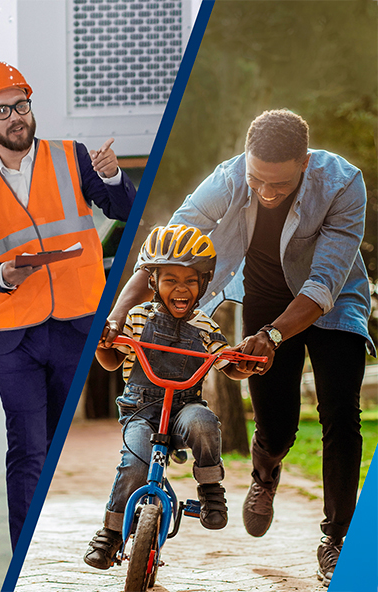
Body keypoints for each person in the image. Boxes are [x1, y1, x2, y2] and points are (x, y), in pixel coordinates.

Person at [104, 109, 373, 587]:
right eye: (257, 181)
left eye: (280, 186)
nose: (266, 193)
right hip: (266, 298)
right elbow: (166, 249)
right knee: (277, 426)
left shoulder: (342, 184)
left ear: (304, 163)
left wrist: (272, 337)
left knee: (340, 413)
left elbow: (325, 281)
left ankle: (336, 539)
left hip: (331, 302)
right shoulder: (229, 179)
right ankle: (265, 473)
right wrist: (119, 312)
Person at [0, 61, 136, 549]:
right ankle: (23, 550)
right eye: (2, 110)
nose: (16, 117)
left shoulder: (72, 157)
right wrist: (1, 275)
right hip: (14, 336)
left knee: (54, 444)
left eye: (22, 105)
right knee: (28, 448)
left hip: (75, 326)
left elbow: (123, 210)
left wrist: (115, 176)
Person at [83, 225, 254, 569]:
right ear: (153, 282)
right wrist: (103, 343)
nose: (181, 288)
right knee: (134, 464)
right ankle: (111, 532)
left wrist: (244, 364)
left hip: (184, 408)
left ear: (204, 284)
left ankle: (210, 489)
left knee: (204, 424)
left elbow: (226, 363)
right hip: (142, 409)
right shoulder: (136, 318)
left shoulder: (206, 327)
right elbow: (113, 359)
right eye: (170, 279)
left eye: (191, 281)